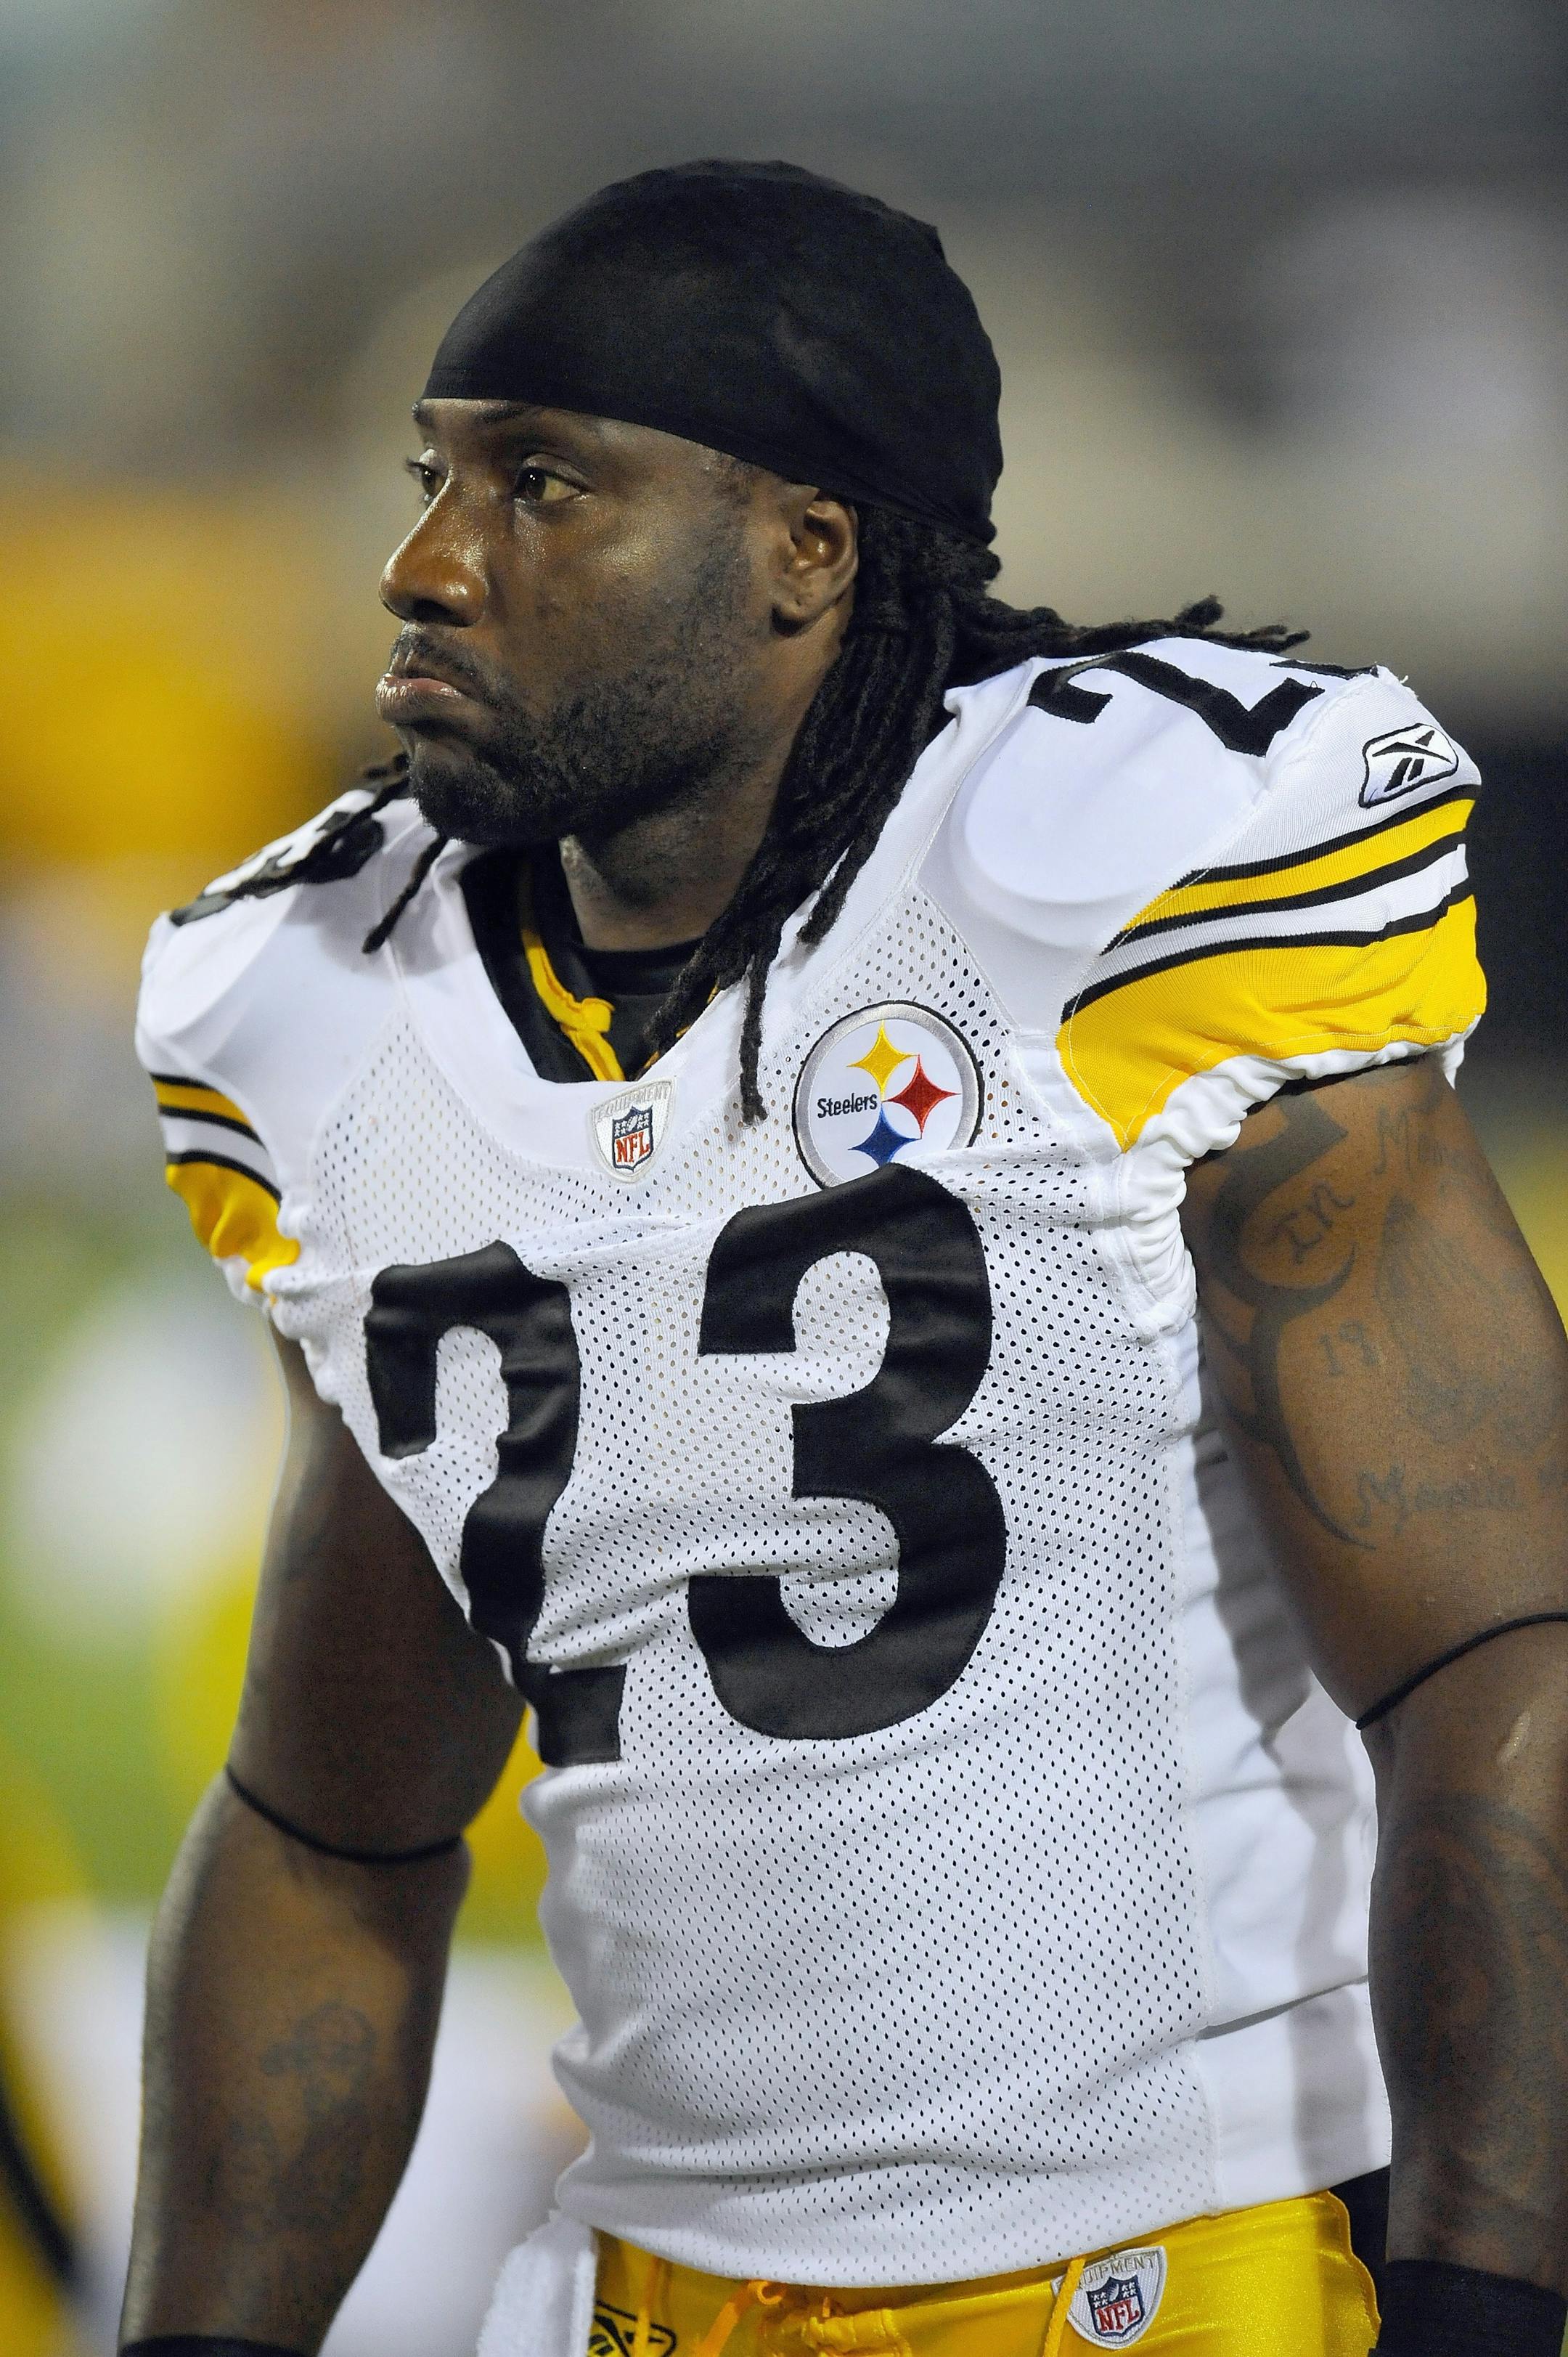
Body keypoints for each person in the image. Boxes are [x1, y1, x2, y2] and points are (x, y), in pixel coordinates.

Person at [118, 161, 1568, 2357]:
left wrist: (1485, 2292)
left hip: (1180, 2272)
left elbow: (1501, 1650)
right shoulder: (324, 1005)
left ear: (806, 550)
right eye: (435, 477)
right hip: (649, 2289)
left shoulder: (1111, 875)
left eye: (544, 487)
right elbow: (334, 1825)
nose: (424, 563)